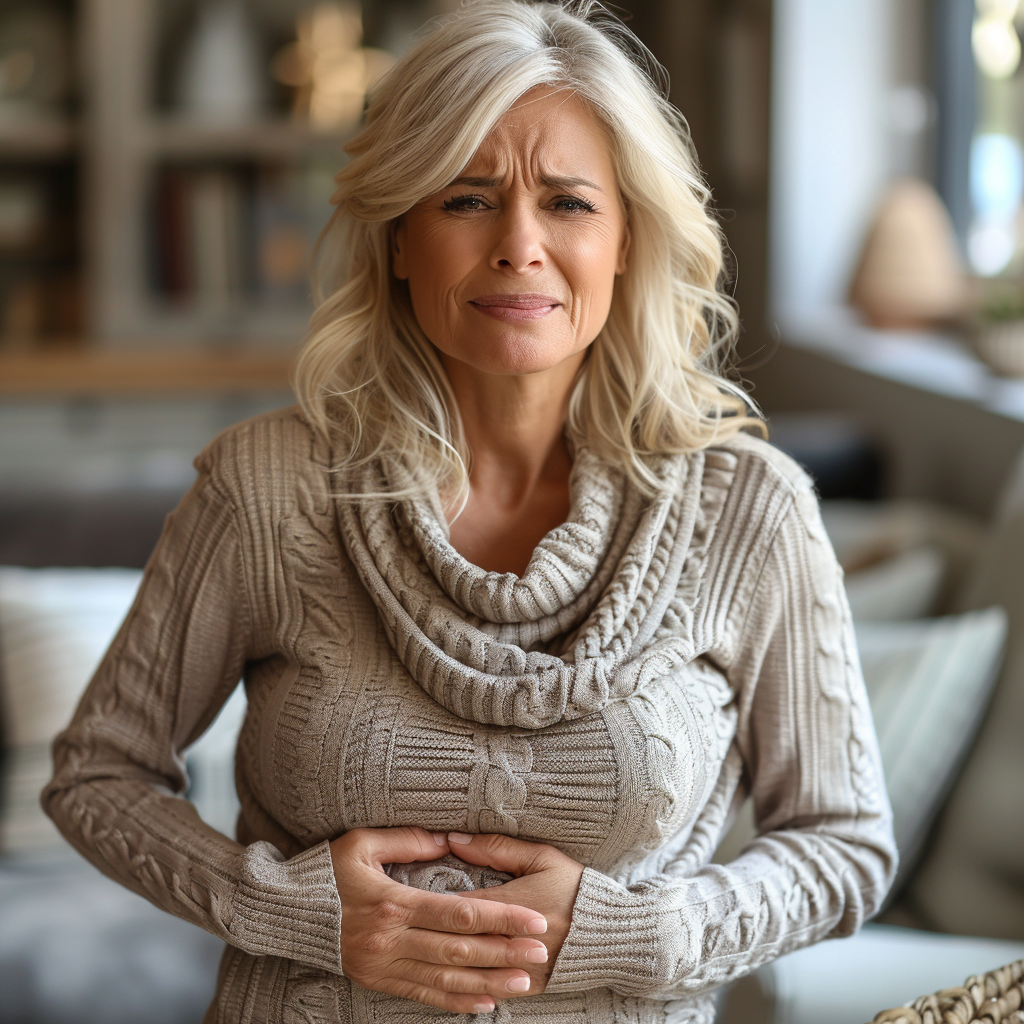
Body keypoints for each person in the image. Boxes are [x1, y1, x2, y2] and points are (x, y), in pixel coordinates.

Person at [43, 2, 897, 1022]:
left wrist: (645, 930)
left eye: (570, 202)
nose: (518, 246)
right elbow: (98, 772)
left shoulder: (751, 511)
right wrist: (289, 909)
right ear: (400, 236)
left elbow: (844, 845)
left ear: (627, 239)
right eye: (467, 199)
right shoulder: (267, 488)